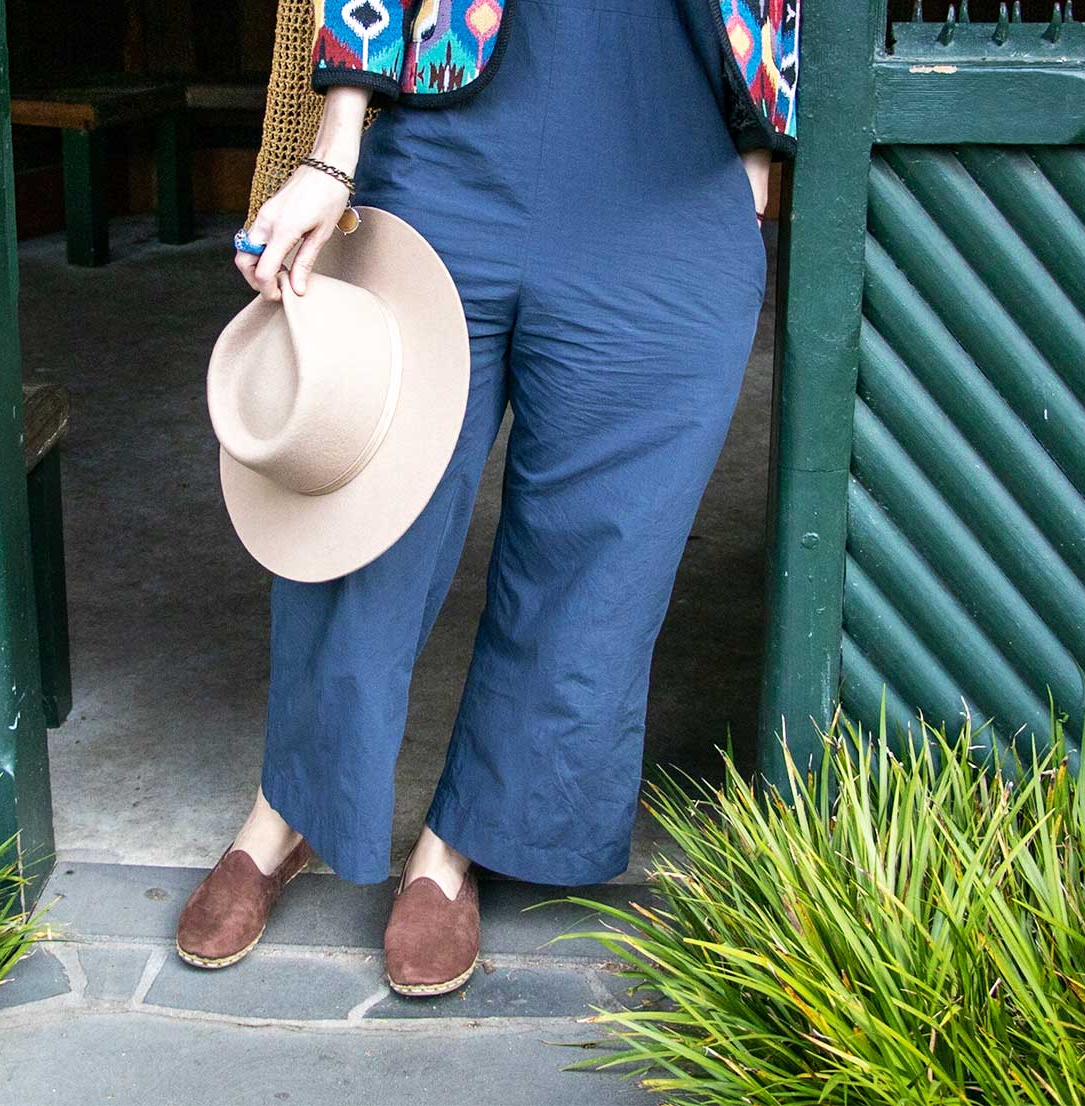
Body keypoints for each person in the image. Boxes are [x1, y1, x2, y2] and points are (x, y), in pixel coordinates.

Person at [176, 0, 801, 996]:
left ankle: (458, 844)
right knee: (368, 495)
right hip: (453, 133)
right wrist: (334, 148)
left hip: (677, 159)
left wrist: (762, 145)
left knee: (601, 551)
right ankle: (289, 808)